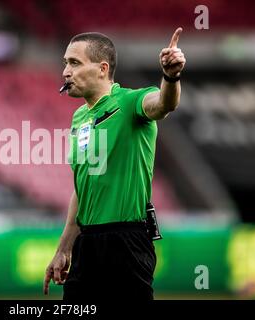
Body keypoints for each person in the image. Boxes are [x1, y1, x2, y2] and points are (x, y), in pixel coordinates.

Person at [43, 28, 186, 300]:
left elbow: (165, 104)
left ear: (102, 68)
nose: (65, 72)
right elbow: (83, 187)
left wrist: (171, 75)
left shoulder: (131, 102)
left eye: (74, 63)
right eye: (65, 63)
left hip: (126, 241)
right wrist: (64, 248)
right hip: (87, 243)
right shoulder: (79, 118)